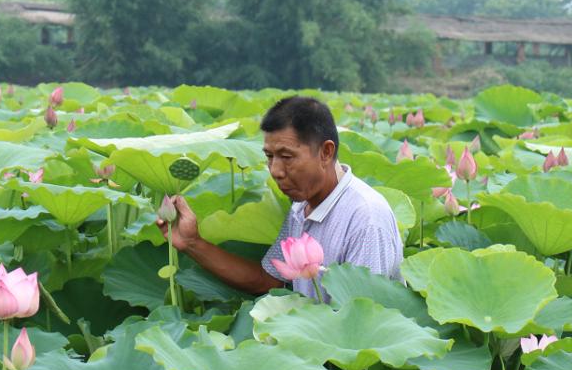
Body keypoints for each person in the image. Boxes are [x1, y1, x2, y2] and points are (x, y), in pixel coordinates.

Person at [156, 95, 403, 299]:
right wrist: (191, 242)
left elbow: (364, 322)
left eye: (286, 156)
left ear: (326, 152)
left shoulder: (366, 218)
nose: (275, 171)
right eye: (269, 157)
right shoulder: (301, 206)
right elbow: (268, 281)